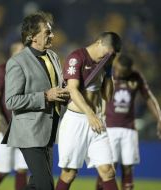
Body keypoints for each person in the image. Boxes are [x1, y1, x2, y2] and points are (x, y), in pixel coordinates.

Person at [2, 11, 69, 190]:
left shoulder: (53, 56)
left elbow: (58, 87)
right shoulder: (17, 62)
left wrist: (67, 92)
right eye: (47, 32)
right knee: (46, 186)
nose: (52, 35)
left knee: (36, 185)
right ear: (32, 37)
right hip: (29, 132)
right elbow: (11, 100)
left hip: (49, 130)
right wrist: (46, 96)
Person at [56, 31, 122, 190]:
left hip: (97, 121)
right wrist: (90, 114)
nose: (108, 57)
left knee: (108, 171)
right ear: (100, 42)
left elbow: (107, 97)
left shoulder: (105, 62)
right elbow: (72, 90)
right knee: (69, 173)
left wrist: (108, 72)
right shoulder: (76, 57)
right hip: (76, 121)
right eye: (108, 53)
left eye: (112, 55)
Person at [96, 54, 161, 190]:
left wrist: (159, 119)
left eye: (122, 71)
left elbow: (149, 98)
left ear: (129, 70)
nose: (118, 73)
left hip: (129, 129)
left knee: (127, 167)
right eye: (117, 69)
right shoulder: (107, 73)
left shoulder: (135, 77)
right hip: (109, 127)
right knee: (108, 167)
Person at [0, 41, 28, 190]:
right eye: (21, 51)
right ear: (13, 53)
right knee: (3, 169)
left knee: (22, 169)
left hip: (23, 127)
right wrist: (1, 119)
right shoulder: (2, 69)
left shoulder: (30, 70)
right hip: (5, 126)